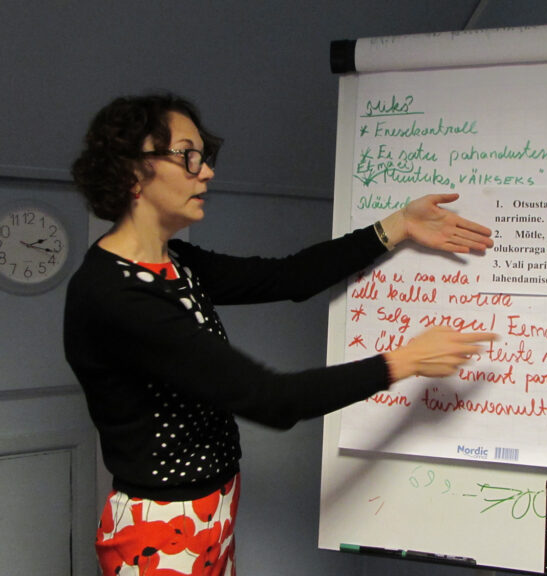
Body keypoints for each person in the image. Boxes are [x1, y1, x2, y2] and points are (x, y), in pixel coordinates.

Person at [64, 94, 495, 576]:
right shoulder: (116, 294)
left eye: (204, 156)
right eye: (187, 155)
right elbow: (272, 399)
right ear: (132, 171)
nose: (206, 172)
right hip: (161, 530)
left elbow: (287, 277)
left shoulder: (174, 262)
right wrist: (406, 360)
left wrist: (400, 225)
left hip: (210, 511)